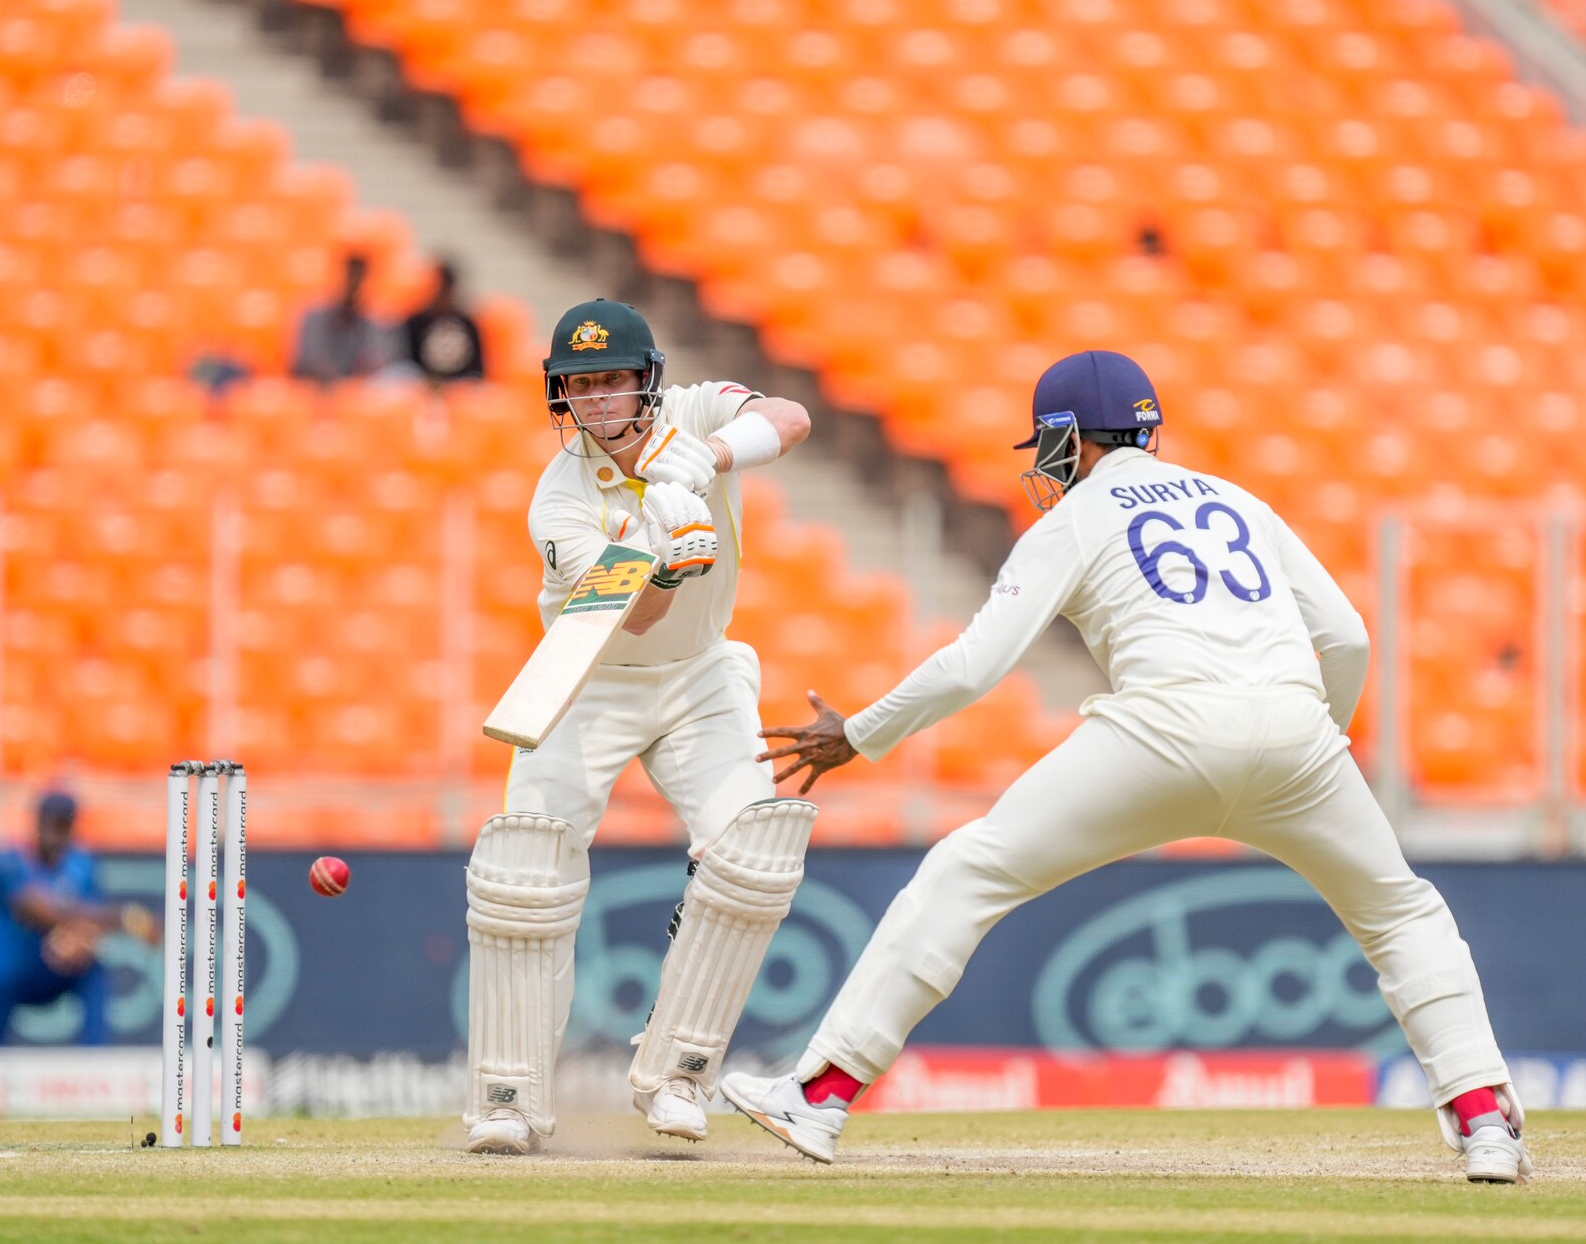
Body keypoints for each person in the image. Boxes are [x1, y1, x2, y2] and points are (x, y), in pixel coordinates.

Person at [722, 350, 1531, 1185]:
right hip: (1297, 733)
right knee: (1403, 915)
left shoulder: (1074, 520)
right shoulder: (1238, 498)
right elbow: (1349, 636)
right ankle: (1483, 1123)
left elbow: (972, 665)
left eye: (1046, 442)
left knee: (969, 870)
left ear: (1069, 436)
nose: (1043, 461)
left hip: (1163, 730)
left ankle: (820, 1092)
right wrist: (1315, 734)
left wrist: (858, 733)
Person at [463, 298, 813, 1154]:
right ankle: (507, 1100)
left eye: (613, 380)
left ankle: (678, 1076)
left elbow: (792, 415)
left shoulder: (694, 414)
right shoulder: (559, 501)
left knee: (752, 856)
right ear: (560, 398)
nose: (599, 401)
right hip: (588, 674)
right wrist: (668, 559)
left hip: (701, 676)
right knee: (527, 869)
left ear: (648, 381)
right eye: (580, 386)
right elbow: (639, 622)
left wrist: (706, 463)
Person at [0, 790, 152, 1047]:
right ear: (37, 822)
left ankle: (97, 1059)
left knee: (92, 966)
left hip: (34, 972)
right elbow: (36, 910)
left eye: (64, 828)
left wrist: (80, 941)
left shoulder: (81, 865)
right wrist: (127, 919)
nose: (56, 837)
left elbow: (82, 920)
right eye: (52, 825)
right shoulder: (4, 861)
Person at [289, 252, 400, 384]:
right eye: (349, 277)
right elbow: (308, 361)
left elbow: (383, 359)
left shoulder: (376, 320)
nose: (353, 286)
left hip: (363, 390)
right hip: (321, 389)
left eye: (358, 279)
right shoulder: (314, 316)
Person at [401, 258, 485, 384]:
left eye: (445, 289)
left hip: (461, 385)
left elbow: (477, 367)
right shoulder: (415, 322)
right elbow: (408, 361)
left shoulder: (467, 322)